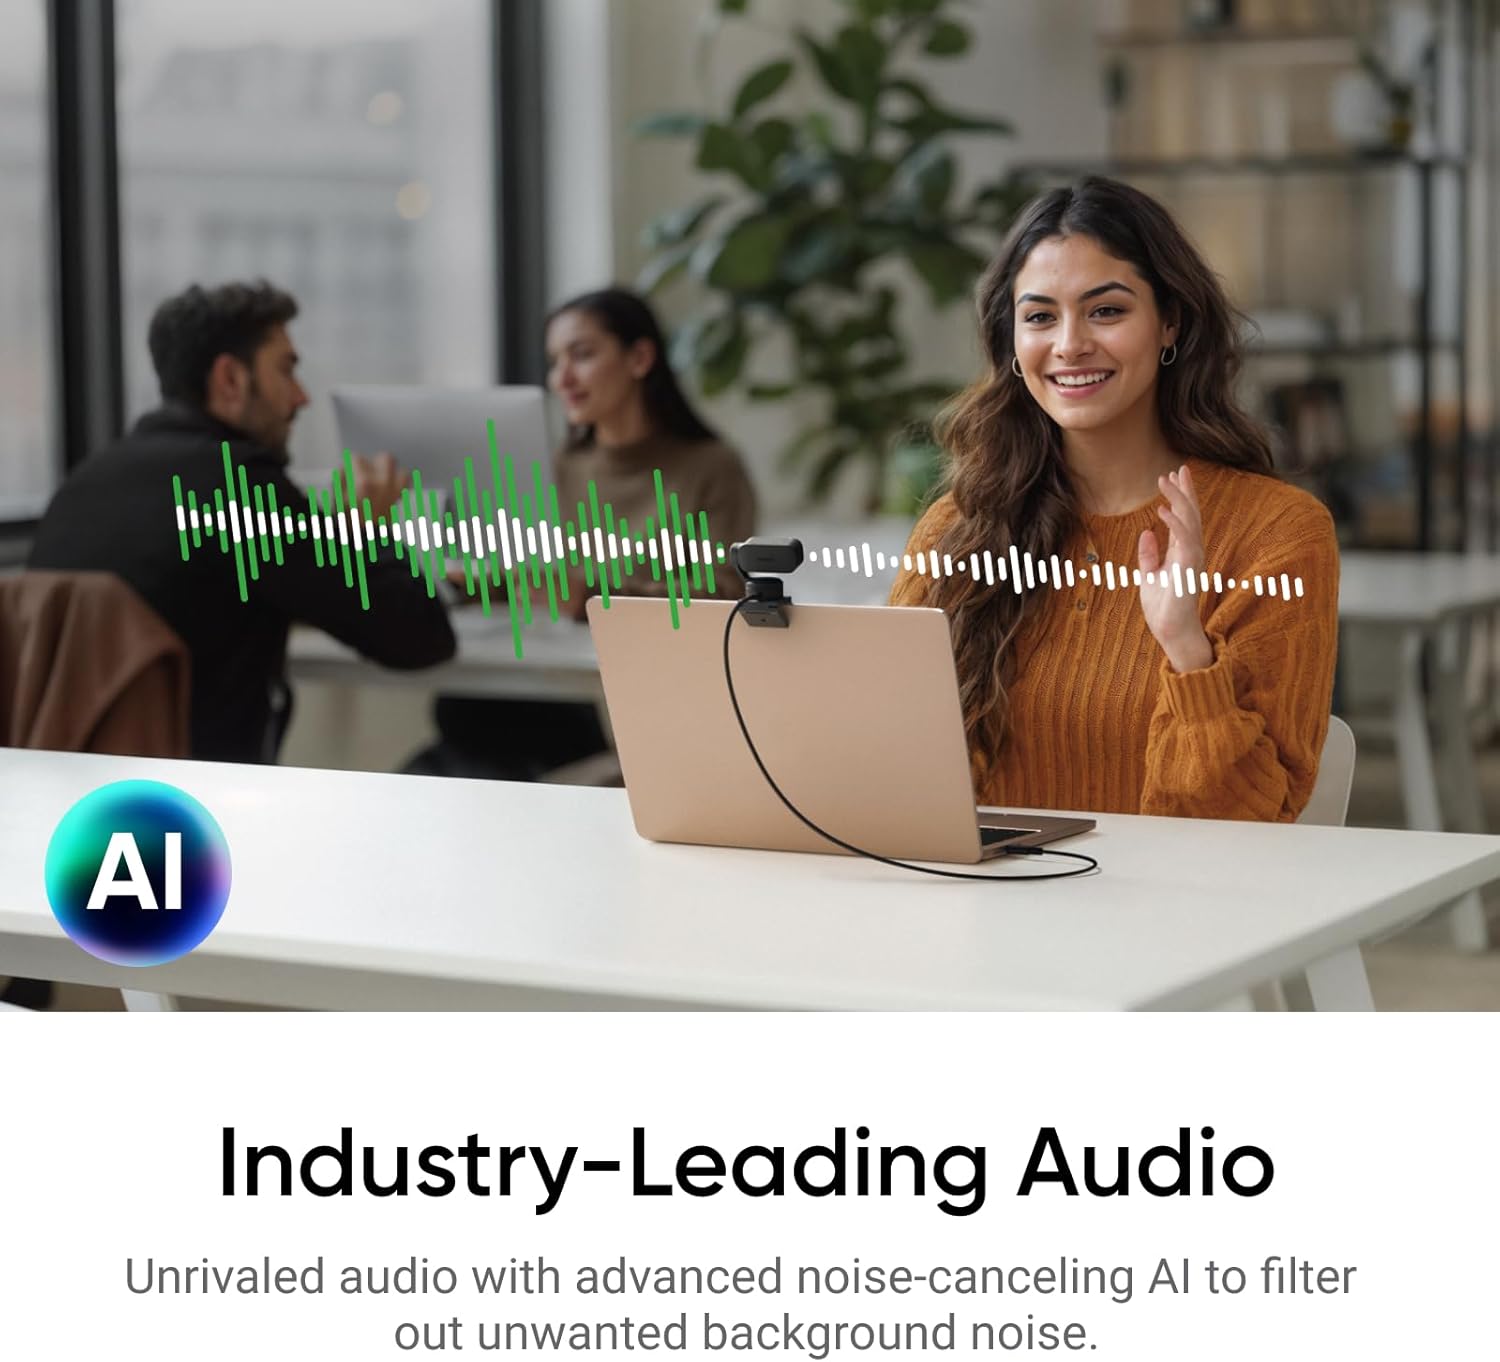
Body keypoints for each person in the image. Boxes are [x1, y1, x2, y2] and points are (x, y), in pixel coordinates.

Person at [890, 176, 1339, 821]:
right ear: (1012, 345)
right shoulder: (956, 532)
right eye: (1040, 316)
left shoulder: (1280, 533)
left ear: (1170, 324)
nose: (1070, 344)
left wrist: (1186, 647)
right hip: (988, 908)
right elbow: (888, 770)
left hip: (1183, 912)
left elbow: (1256, 821)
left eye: (1106, 310)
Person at [29, 280, 455, 764]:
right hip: (207, 804)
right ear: (231, 379)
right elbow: (420, 639)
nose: (301, 398)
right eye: (286, 371)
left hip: (71, 799)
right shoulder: (239, 487)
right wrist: (367, 527)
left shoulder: (82, 486)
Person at [413, 286, 756, 779]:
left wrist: (592, 594)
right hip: (546, 691)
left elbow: (725, 591)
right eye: (555, 361)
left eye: (582, 355)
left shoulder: (711, 467)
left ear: (639, 358)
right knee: (459, 739)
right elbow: (531, 583)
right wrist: (472, 576)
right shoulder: (556, 466)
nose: (562, 378)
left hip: (648, 703)